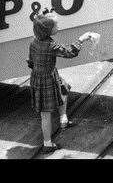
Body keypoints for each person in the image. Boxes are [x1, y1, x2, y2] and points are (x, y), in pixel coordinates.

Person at [28, 13, 82, 152]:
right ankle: (47, 144)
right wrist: (82, 39)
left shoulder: (33, 42)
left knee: (64, 88)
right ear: (48, 30)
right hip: (48, 78)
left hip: (38, 76)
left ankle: (63, 119)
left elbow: (31, 61)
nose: (58, 26)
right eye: (56, 25)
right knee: (45, 114)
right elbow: (70, 53)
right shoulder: (52, 45)